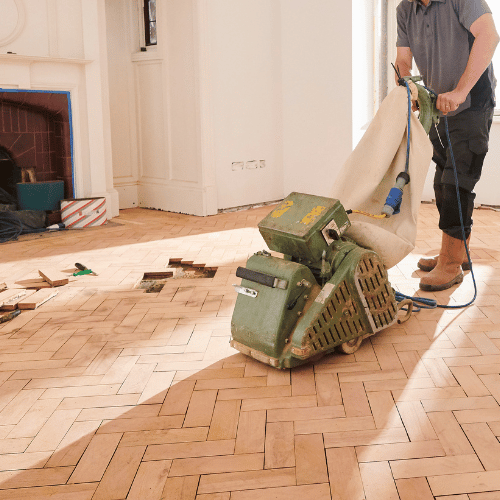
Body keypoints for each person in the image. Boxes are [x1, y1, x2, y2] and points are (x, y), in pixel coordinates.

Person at [395, 0, 499, 291]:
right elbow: (403, 58)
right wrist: (407, 84)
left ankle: (451, 264)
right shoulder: (405, 9)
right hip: (437, 106)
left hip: (471, 103)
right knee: (444, 181)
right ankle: (456, 252)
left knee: (456, 183)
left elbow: (489, 36)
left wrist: (461, 90)